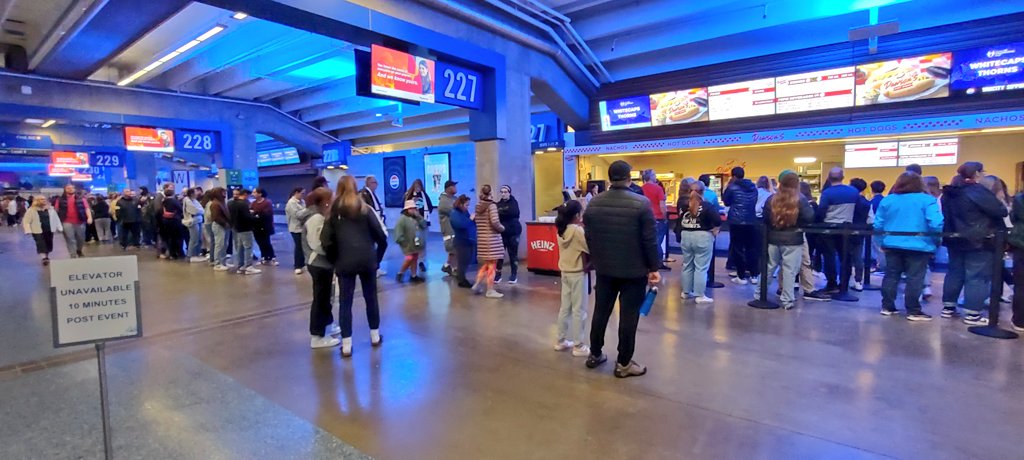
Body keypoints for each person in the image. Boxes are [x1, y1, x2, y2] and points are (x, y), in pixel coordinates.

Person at [583, 160, 660, 378]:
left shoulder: (594, 203)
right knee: (628, 317)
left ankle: (595, 354)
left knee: (600, 312)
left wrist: (597, 258)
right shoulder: (641, 204)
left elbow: (589, 236)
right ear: (629, 178)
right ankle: (624, 363)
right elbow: (649, 240)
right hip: (634, 271)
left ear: (609, 178)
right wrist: (653, 267)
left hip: (605, 269)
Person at [322, 175, 389, 358]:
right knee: (371, 298)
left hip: (344, 262)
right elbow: (382, 237)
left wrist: (334, 259)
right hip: (367, 260)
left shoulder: (333, 212)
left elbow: (325, 240)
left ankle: (346, 345)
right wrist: (376, 259)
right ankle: (375, 336)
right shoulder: (365, 209)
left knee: (345, 302)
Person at [941, 162, 1007, 324]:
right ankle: (973, 313)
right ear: (977, 173)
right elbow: (1000, 211)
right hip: (978, 240)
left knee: (954, 273)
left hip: (954, 238)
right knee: (976, 276)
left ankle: (948, 307)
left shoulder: (949, 193)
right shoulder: (978, 191)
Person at [875, 172, 944, 320]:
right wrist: (936, 241)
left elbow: (878, 224)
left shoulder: (888, 200)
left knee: (891, 276)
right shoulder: (927, 200)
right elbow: (936, 224)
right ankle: (913, 310)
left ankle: (887, 306)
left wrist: (881, 242)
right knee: (915, 278)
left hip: (892, 244)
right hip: (919, 245)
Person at [761, 171, 815, 310]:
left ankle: (759, 294)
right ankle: (787, 299)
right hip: (793, 240)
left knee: (769, 267)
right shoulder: (800, 199)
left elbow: (765, 218)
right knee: (790, 270)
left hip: (773, 238)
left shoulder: (771, 199)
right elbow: (809, 218)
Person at [300, 188, 340, 349]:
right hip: (318, 264)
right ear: (325, 201)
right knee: (321, 299)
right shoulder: (316, 218)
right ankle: (317, 335)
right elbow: (318, 243)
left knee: (326, 297)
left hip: (323, 263)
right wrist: (334, 252)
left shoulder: (320, 216)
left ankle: (327, 325)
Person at [810, 167, 860, 297]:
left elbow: (822, 210)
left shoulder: (827, 193)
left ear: (829, 178)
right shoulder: (853, 191)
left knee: (829, 257)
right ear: (843, 177)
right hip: (846, 229)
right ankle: (844, 285)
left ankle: (831, 284)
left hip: (829, 229)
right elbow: (859, 209)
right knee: (845, 257)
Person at [675, 180, 721, 304]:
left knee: (687, 265)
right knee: (701, 267)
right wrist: (715, 229)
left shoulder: (684, 205)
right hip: (702, 236)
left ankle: (686, 292)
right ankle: (700, 295)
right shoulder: (707, 206)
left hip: (686, 235)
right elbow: (717, 220)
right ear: (703, 192)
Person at [554, 200, 590, 357]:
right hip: (578, 273)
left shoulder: (561, 230)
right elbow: (589, 247)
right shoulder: (577, 231)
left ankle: (560, 340)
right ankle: (578, 345)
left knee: (565, 308)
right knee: (579, 310)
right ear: (577, 215)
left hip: (565, 272)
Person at [723, 167, 759, 284]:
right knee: (751, 248)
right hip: (751, 220)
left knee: (737, 248)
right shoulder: (753, 187)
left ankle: (741, 276)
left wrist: (728, 186)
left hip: (736, 221)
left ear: (733, 176)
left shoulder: (732, 187)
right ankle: (754, 275)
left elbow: (726, 202)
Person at [473, 184, 505, 298]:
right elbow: (495, 222)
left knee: (487, 264)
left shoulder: (478, 206)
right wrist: (502, 228)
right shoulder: (492, 206)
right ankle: (490, 290)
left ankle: (477, 284)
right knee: (492, 265)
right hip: (492, 239)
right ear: (491, 193)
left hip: (482, 239)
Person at [640, 170, 671, 272]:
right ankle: (658, 263)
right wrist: (665, 217)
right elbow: (662, 205)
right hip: (658, 218)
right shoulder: (658, 188)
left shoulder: (641, 189)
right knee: (657, 241)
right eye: (654, 174)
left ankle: (648, 262)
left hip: (645, 217)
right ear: (650, 176)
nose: (656, 176)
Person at [53, 184, 92, 258]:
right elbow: (56, 211)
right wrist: (56, 222)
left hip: (80, 221)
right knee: (70, 239)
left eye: (72, 188)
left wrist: (89, 217)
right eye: (68, 188)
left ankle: (79, 250)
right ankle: (72, 254)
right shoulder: (60, 200)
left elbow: (87, 208)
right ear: (65, 190)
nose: (70, 189)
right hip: (66, 222)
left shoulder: (81, 199)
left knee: (81, 238)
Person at [360, 176, 388, 277]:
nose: (376, 185)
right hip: (370, 225)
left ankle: (376, 266)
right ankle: (373, 268)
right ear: (368, 183)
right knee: (381, 244)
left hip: (377, 223)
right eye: (373, 182)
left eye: (376, 182)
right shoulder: (364, 194)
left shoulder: (373, 194)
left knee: (382, 244)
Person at [495, 185, 523, 283]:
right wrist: (503, 211)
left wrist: (501, 211)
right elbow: (496, 213)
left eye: (505, 192)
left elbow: (513, 212)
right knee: (499, 254)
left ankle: (513, 274)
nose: (503, 194)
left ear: (509, 193)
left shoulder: (514, 203)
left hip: (513, 232)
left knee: (513, 254)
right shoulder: (499, 204)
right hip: (502, 232)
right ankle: (498, 275)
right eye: (502, 192)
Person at [394, 200, 428, 283]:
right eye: (411, 208)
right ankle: (400, 273)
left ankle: (414, 275)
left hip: (416, 242)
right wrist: (403, 241)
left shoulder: (416, 218)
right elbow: (398, 233)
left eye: (414, 208)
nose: (414, 210)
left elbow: (424, 225)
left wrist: (419, 217)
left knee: (415, 258)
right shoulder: (402, 219)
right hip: (407, 243)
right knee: (409, 258)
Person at [22, 196, 62, 265]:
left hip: (49, 229)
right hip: (37, 230)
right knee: (40, 244)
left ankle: (46, 255)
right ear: (37, 201)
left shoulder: (50, 209)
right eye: (41, 199)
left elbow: (56, 218)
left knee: (48, 243)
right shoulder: (31, 210)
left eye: (44, 199)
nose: (43, 200)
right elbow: (26, 221)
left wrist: (59, 227)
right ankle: (44, 258)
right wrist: (27, 230)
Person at [404, 179, 433, 272]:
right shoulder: (409, 195)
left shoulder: (424, 195)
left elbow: (430, 207)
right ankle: (411, 263)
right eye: (416, 186)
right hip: (412, 223)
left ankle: (421, 262)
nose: (417, 188)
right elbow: (405, 209)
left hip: (423, 222)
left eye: (419, 186)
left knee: (422, 243)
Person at [229, 189, 260, 275]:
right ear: (245, 194)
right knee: (248, 247)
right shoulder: (243, 204)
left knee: (240, 248)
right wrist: (254, 216)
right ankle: (249, 267)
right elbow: (247, 217)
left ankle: (240, 266)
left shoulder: (232, 203)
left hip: (237, 227)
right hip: (245, 228)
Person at [848, 178, 871, 291]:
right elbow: (870, 220)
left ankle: (843, 280)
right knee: (858, 258)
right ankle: (858, 281)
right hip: (860, 232)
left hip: (846, 231)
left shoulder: (849, 201)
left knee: (845, 257)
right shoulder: (866, 203)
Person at [450, 195, 476, 289]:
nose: (467, 207)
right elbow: (461, 225)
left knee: (467, 260)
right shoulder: (454, 213)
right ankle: (461, 280)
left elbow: (469, 223)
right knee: (462, 262)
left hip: (468, 240)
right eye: (466, 205)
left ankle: (461, 277)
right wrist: (471, 219)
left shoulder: (464, 212)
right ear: (461, 204)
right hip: (461, 241)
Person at [1009, 188, 1024, 332]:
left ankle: (1020, 320)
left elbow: (1012, 218)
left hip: (1021, 244)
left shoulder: (1019, 198)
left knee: (1020, 284)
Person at [251, 188, 277, 266]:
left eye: (255, 192)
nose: (253, 194)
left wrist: (256, 213)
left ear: (260, 194)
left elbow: (266, 214)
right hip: (256, 226)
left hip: (265, 226)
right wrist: (255, 214)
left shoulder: (267, 202)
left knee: (266, 242)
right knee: (260, 242)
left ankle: (271, 257)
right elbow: (250, 212)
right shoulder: (253, 203)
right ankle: (264, 257)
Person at [437, 180, 458, 277]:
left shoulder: (453, 198)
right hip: (449, 229)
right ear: (449, 188)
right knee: (453, 249)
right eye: (454, 186)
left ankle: (447, 265)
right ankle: (454, 268)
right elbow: (455, 211)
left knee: (454, 249)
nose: (456, 188)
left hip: (455, 228)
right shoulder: (444, 201)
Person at [207, 188, 231, 271]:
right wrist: (225, 224)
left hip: (224, 225)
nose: (225, 193)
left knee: (224, 245)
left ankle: (223, 262)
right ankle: (217, 264)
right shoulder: (215, 204)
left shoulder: (221, 202)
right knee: (219, 245)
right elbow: (216, 217)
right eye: (223, 192)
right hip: (219, 225)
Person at [285, 187, 307, 274]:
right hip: (295, 228)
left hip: (303, 228)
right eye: (302, 193)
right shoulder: (291, 203)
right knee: (298, 247)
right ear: (296, 193)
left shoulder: (302, 201)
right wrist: (307, 211)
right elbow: (297, 215)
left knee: (303, 246)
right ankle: (297, 265)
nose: (303, 195)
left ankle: (302, 264)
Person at [160, 188, 185, 260]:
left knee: (170, 238)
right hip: (175, 221)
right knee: (178, 238)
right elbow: (181, 209)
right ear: (173, 193)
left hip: (166, 221)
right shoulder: (174, 201)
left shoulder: (164, 201)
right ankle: (179, 253)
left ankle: (171, 253)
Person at [182, 188, 206, 263]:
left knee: (199, 239)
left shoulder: (194, 200)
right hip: (193, 222)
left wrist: (200, 211)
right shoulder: (187, 201)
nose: (197, 193)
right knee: (194, 239)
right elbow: (195, 211)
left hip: (198, 220)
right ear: (192, 193)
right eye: (196, 192)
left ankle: (197, 254)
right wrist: (200, 211)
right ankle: (191, 255)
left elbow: (202, 210)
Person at [869, 180, 886, 273]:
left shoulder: (871, 202)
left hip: (875, 226)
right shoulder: (886, 201)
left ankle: (877, 265)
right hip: (886, 227)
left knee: (875, 248)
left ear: (872, 189)